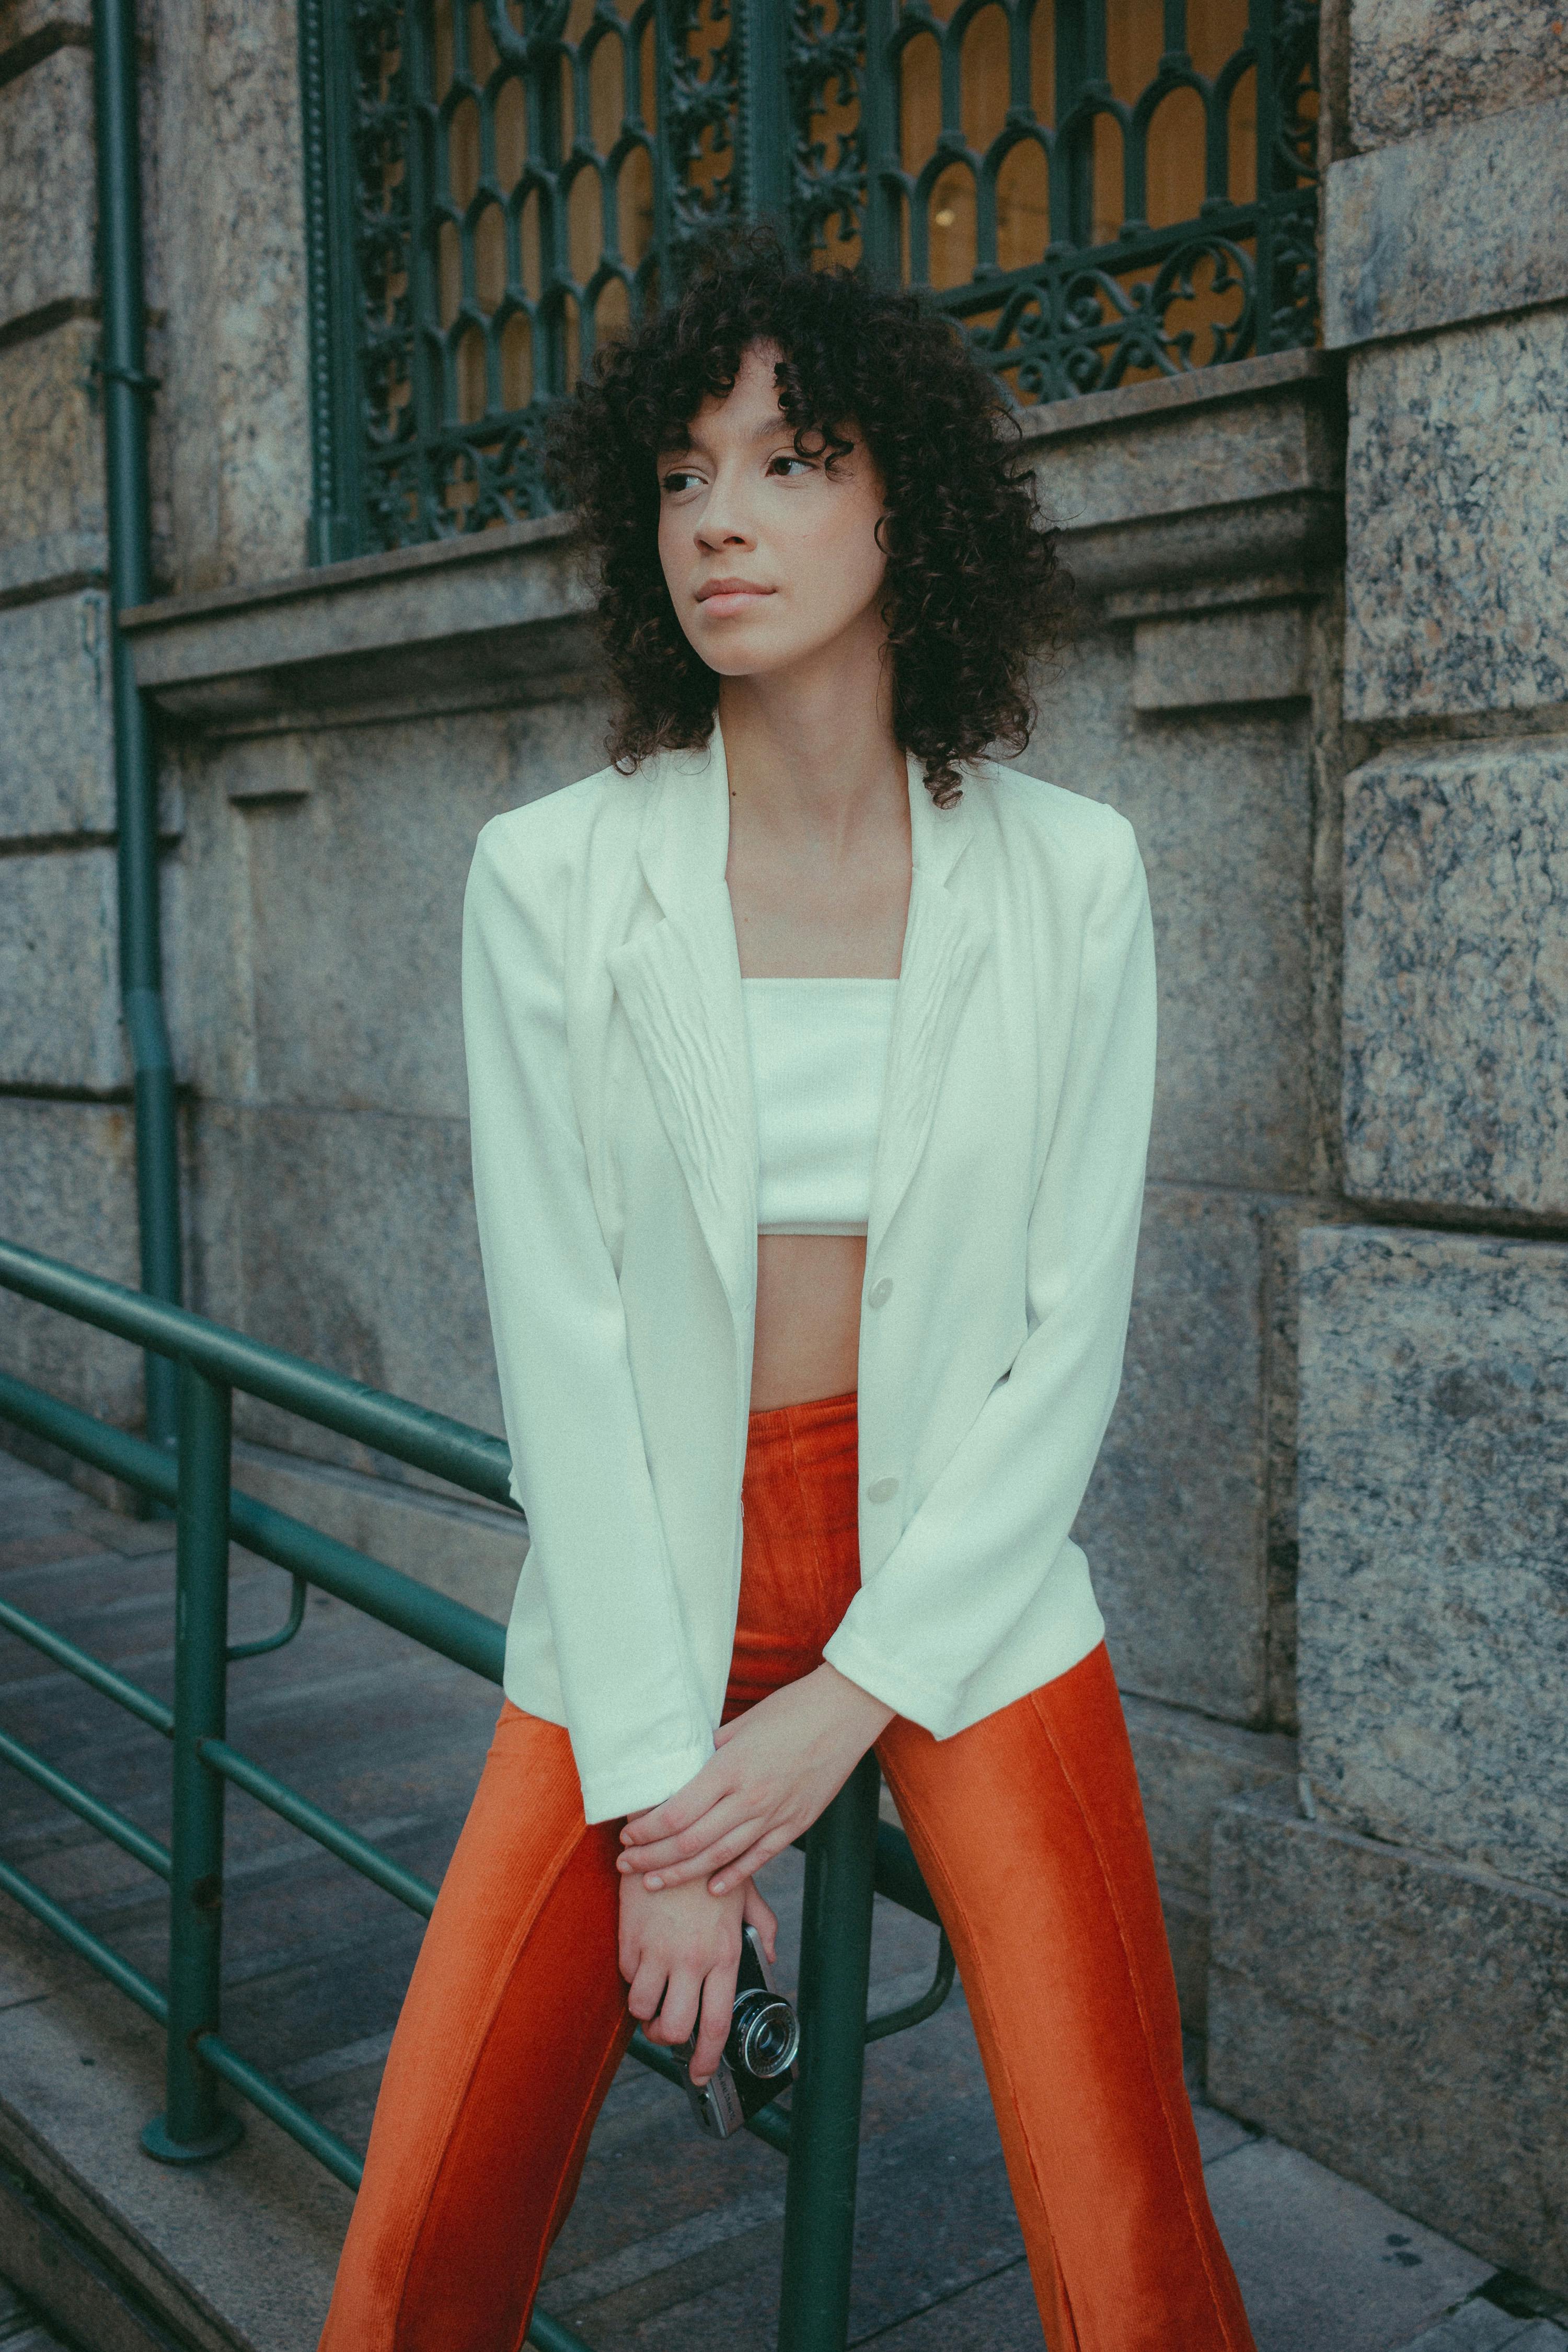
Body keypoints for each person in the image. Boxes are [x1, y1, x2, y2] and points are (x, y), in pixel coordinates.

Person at [317, 227, 1255, 2352]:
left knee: (1128, 2237)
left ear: (901, 498)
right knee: (418, 2227)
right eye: (680, 472)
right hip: (647, 1553)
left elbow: (1062, 1341)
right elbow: (561, 1346)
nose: (719, 516)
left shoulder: (1077, 874)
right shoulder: (550, 881)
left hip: (967, 1573)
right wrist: (672, 1811)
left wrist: (847, 1706)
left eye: (790, 460)